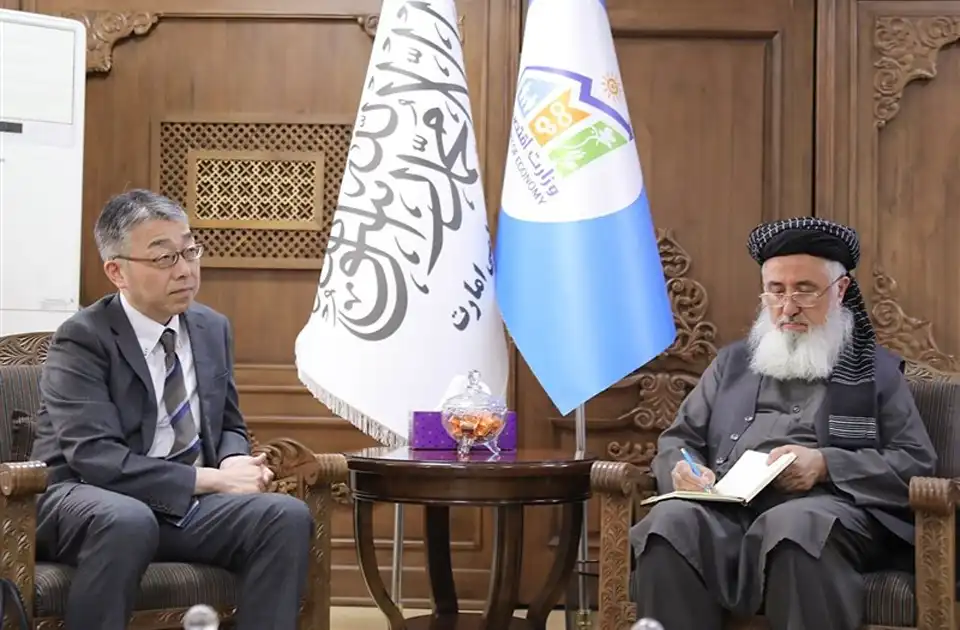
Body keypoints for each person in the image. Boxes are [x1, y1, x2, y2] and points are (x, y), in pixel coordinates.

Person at [629, 217, 937, 630]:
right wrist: (684, 470)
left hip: (828, 511)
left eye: (805, 290)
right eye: (776, 290)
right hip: (727, 510)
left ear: (840, 290)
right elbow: (680, 440)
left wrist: (825, 465)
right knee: (669, 524)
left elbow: (915, 461)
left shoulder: (875, 372)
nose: (788, 307)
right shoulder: (731, 365)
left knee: (795, 527)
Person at [31, 189, 314, 630]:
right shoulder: (83, 338)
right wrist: (215, 479)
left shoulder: (211, 326)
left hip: (180, 505)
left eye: (190, 251)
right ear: (117, 272)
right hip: (85, 498)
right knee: (128, 519)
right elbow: (95, 457)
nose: (184, 270)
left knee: (285, 516)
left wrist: (233, 459)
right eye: (164, 258)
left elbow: (228, 423)